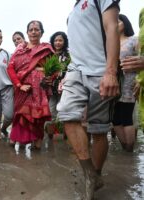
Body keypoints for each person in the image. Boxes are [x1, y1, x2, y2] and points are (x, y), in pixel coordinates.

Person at [57, 0, 120, 199]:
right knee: (67, 113)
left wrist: (111, 72)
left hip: (99, 71)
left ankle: (97, 175)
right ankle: (89, 173)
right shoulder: (74, 8)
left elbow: (112, 27)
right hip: (76, 70)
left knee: (98, 130)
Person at [7, 20, 54, 154]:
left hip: (40, 88)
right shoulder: (20, 49)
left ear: (41, 32)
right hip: (23, 88)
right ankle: (17, 141)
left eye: (36, 29)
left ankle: (37, 143)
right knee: (21, 114)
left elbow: (54, 69)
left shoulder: (46, 48)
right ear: (27, 32)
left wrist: (50, 78)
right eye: (31, 29)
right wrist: (19, 85)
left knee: (38, 116)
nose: (33, 32)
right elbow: (10, 68)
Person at [112, 14, 138, 152]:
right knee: (115, 119)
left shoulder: (134, 40)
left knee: (126, 116)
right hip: (114, 83)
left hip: (129, 82)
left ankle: (130, 149)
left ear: (125, 23)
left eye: (118, 21)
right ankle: (125, 149)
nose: (115, 23)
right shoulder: (110, 43)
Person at [46, 31, 70, 140]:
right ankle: (52, 135)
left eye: (60, 40)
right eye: (55, 40)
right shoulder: (49, 55)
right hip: (51, 89)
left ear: (64, 42)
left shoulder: (68, 56)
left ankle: (64, 134)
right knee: (51, 112)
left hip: (64, 88)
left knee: (63, 111)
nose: (58, 42)